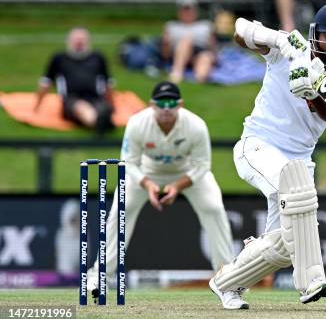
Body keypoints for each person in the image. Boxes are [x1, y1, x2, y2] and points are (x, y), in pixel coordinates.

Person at [209, 4, 326, 310]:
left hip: (300, 160)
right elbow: (239, 32)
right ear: (316, 35)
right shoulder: (289, 50)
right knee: (295, 192)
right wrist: (277, 40)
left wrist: (314, 87)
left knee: (282, 244)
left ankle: (226, 283)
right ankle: (311, 281)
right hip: (257, 146)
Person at [87, 81, 234, 301]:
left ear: (180, 104)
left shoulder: (195, 125)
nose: (167, 108)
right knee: (121, 209)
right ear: (152, 105)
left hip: (187, 172)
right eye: (162, 103)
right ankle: (99, 275)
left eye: (171, 103)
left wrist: (176, 186)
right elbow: (128, 162)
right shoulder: (137, 123)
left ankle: (228, 278)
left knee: (213, 207)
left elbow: (202, 166)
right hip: (145, 172)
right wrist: (148, 184)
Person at [34, 27, 114, 133]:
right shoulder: (59, 58)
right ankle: (97, 122)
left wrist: (112, 104)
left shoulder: (98, 57)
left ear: (88, 41)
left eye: (82, 39)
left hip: (95, 98)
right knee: (80, 108)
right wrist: (37, 106)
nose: (79, 42)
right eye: (76, 39)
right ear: (68, 40)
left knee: (103, 108)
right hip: (71, 99)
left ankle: (101, 119)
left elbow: (108, 84)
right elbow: (46, 83)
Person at [162, 0, 217, 83]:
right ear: (179, 12)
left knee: (205, 59)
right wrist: (165, 44)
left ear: (195, 11)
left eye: (190, 10)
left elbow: (213, 49)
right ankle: (177, 73)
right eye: (184, 10)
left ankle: (199, 79)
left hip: (200, 53)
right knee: (186, 41)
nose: (187, 13)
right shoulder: (171, 26)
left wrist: (213, 58)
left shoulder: (206, 25)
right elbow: (165, 55)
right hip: (179, 54)